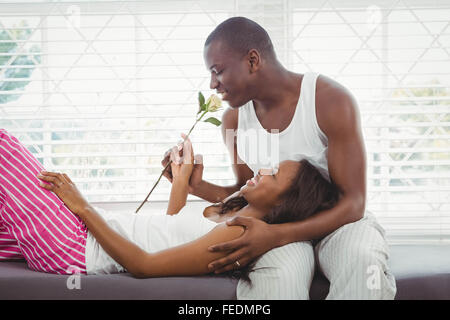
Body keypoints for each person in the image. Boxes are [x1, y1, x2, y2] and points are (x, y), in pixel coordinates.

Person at [161, 17, 396, 299]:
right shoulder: (233, 120)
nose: (213, 84)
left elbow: (354, 203)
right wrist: (195, 186)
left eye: (218, 71)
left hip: (337, 221)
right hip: (271, 224)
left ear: (252, 60)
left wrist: (279, 235)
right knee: (281, 280)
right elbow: (246, 193)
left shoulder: (329, 100)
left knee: (363, 263)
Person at [0, 129, 337, 279]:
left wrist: (83, 208)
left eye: (274, 174)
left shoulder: (237, 235)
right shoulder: (236, 207)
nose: (263, 169)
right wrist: (181, 177)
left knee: (5, 146)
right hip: (83, 232)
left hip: (76, 247)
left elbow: (145, 265)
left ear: (283, 204)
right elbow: (171, 226)